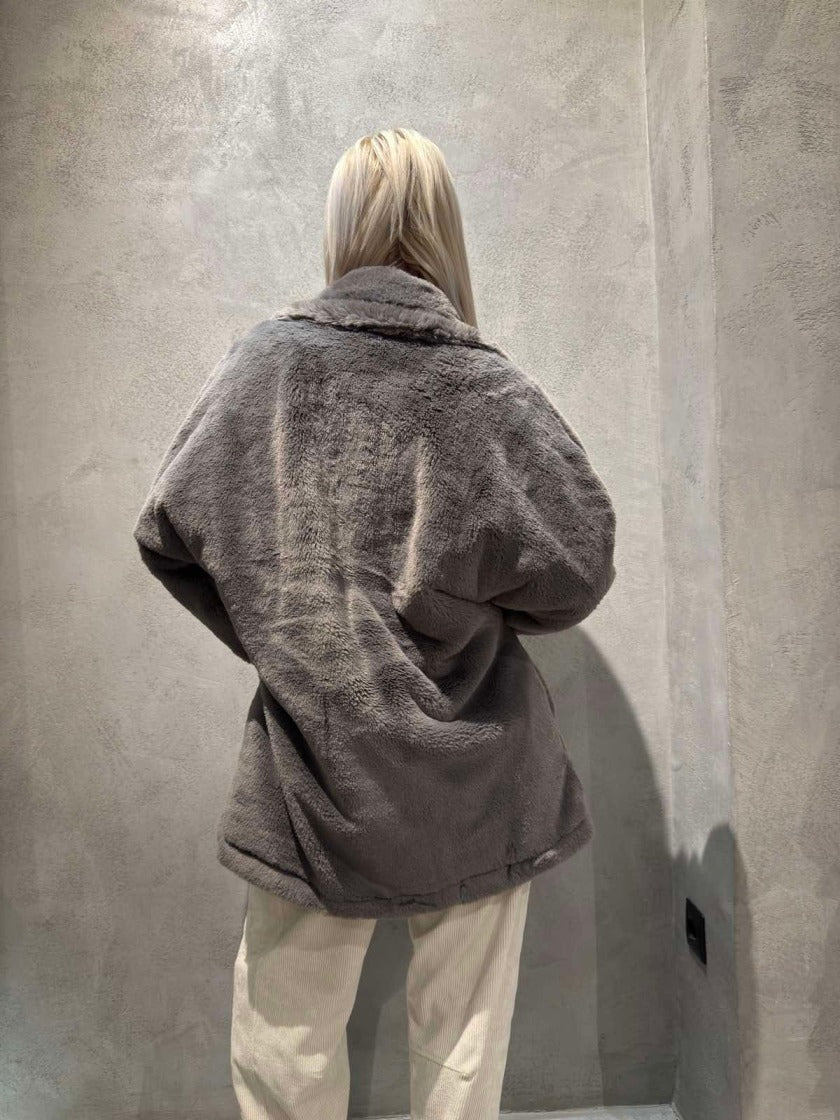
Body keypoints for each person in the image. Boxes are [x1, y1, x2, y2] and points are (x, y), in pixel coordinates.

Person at [132, 127, 617, 1120]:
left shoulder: (267, 366)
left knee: (285, 1048)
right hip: (479, 774)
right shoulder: (488, 386)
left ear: (342, 223)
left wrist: (284, 631)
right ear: (445, 227)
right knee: (463, 1050)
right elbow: (579, 566)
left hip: (313, 770)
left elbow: (170, 529)